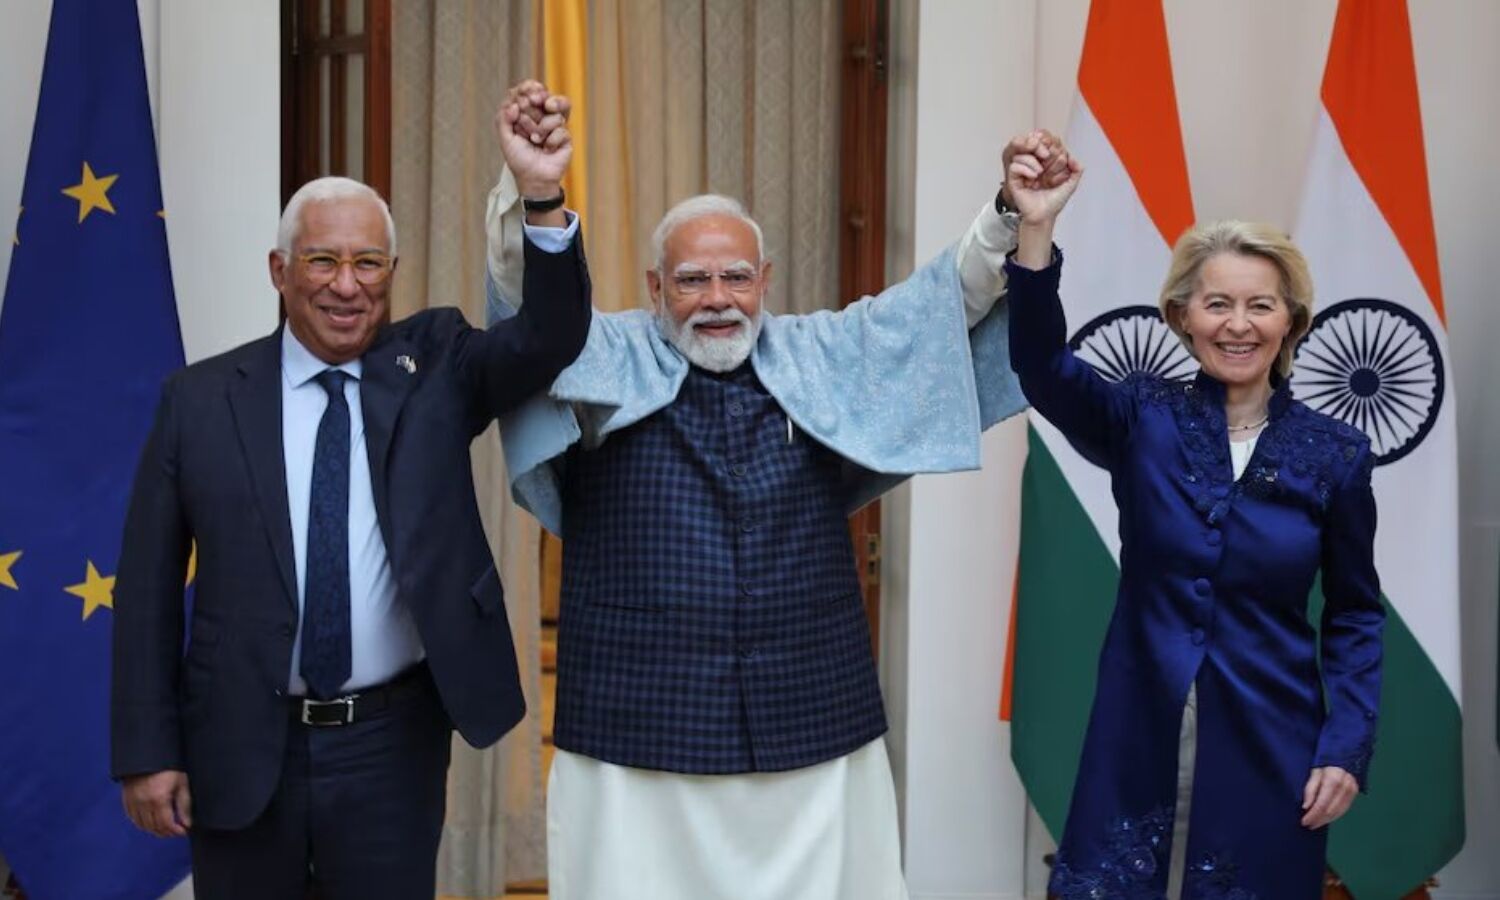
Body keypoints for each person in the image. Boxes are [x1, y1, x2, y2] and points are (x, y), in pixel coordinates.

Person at [486, 82, 1072, 900]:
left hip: (810, 713)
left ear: (764, 280)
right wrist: (538, 193)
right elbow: (530, 305)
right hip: (636, 720)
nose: (717, 300)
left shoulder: (821, 351)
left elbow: (943, 305)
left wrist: (1011, 213)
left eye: (736, 277)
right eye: (692, 280)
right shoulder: (600, 350)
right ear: (654, 288)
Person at [108, 90, 591, 899]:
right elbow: (148, 588)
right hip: (239, 740)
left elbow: (551, 337)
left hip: (389, 745)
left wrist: (540, 195)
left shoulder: (436, 365)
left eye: (368, 263)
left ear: (391, 275)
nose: (346, 285)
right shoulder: (199, 401)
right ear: (279, 271)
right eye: (322, 262)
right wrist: (147, 751)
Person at [1003, 148, 1383, 899]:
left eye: (1260, 305)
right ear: (1182, 316)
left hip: (1272, 737)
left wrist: (1346, 744)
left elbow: (1355, 614)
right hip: (1138, 722)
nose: (1238, 325)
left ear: (1292, 322)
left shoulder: (1337, 453)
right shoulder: (1141, 419)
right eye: (1217, 304)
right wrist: (1035, 229)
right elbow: (1041, 366)